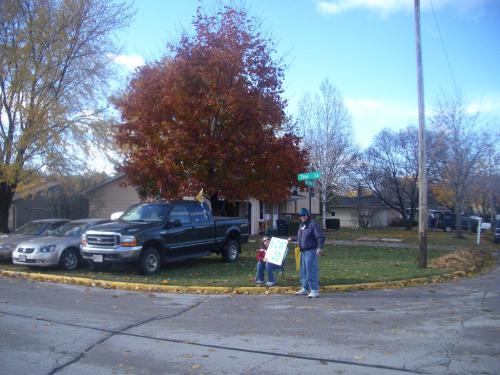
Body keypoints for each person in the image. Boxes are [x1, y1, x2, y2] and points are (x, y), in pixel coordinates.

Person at [292, 208, 325, 298]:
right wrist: (291, 239)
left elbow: (320, 237)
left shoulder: (313, 224)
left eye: (304, 215)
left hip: (311, 250)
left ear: (308, 215)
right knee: (303, 270)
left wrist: (320, 247)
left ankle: (314, 290)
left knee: (311, 269)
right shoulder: (302, 226)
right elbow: (299, 238)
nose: (302, 217)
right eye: (301, 216)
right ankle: (305, 288)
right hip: (303, 251)